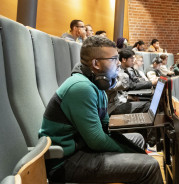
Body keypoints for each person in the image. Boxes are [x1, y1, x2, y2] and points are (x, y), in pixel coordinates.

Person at [38, 36, 162, 183]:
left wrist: (131, 147)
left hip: (82, 148)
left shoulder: (97, 84)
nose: (118, 63)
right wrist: (132, 151)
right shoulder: (81, 87)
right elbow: (96, 140)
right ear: (96, 63)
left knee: (137, 139)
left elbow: (105, 126)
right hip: (65, 161)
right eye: (114, 59)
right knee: (150, 166)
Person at [106, 51, 152, 115]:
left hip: (119, 100)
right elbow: (127, 86)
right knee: (148, 105)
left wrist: (129, 97)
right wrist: (151, 83)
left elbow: (121, 91)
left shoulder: (124, 70)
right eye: (132, 59)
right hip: (114, 107)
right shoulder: (113, 72)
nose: (133, 61)